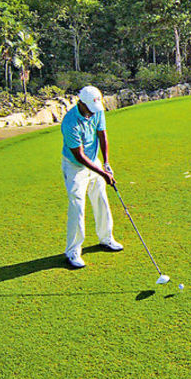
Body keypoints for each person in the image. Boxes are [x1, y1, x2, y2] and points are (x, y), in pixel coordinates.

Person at [60, 85, 123, 268]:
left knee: (101, 198)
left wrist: (106, 163)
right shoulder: (70, 122)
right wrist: (102, 173)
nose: (93, 112)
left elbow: (102, 135)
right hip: (74, 165)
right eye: (90, 109)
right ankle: (73, 251)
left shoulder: (97, 111)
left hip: (93, 160)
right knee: (77, 206)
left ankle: (106, 238)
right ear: (81, 103)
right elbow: (79, 155)